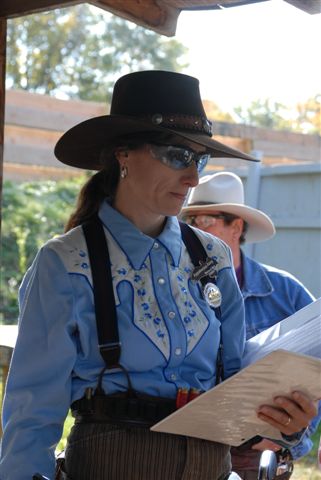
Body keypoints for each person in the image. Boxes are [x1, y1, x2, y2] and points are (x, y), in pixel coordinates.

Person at [0, 71, 316, 480]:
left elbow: (236, 386)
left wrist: (283, 422)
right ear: (123, 155)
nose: (193, 178)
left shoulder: (213, 257)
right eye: (176, 156)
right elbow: (30, 417)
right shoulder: (64, 263)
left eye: (199, 160)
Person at [181, 171, 321, 480]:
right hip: (191, 450)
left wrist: (288, 436)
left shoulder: (285, 290)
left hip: (263, 455)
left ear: (237, 227)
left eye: (206, 220)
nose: (193, 230)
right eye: (189, 221)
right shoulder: (175, 290)